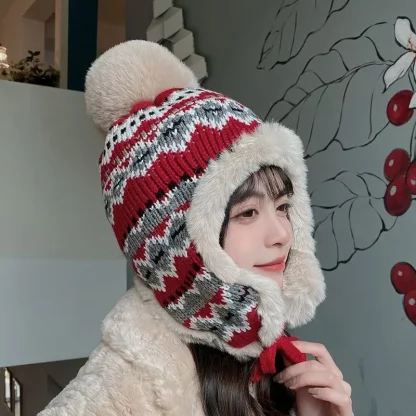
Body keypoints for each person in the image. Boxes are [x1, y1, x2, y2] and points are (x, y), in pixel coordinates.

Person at [38, 40, 353, 416]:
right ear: (176, 241)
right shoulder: (128, 386)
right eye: (247, 213)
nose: (282, 234)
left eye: (284, 207)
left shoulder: (259, 334)